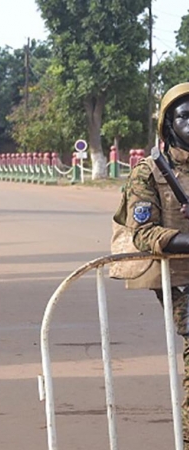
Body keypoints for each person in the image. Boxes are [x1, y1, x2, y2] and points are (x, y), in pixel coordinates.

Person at [113, 82, 189, 445]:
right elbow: (143, 232)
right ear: (168, 124)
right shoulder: (150, 171)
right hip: (180, 279)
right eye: (184, 115)